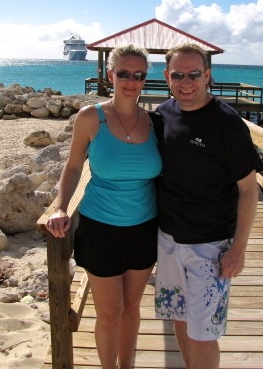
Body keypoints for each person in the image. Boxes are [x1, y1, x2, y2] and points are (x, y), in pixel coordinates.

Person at [45, 44, 162, 369]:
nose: (130, 80)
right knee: (109, 312)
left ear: (144, 80)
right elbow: (72, 167)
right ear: (110, 75)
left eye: (138, 75)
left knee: (132, 309)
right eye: (123, 73)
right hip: (100, 228)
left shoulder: (154, 122)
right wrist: (60, 206)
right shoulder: (90, 117)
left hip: (144, 229)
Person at [152, 43, 263, 369]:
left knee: (204, 334)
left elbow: (248, 190)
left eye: (194, 74)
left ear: (208, 76)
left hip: (211, 246)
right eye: (178, 75)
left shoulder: (227, 123)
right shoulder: (164, 113)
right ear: (167, 77)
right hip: (169, 241)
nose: (185, 82)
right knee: (180, 321)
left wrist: (239, 249)